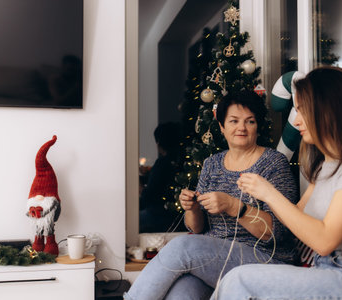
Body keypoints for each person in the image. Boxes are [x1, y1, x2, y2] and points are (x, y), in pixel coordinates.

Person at [214, 66, 342, 299]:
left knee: (239, 280)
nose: (297, 122)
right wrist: (245, 206)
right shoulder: (326, 167)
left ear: (329, 111)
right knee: (234, 279)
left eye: (302, 111)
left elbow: (325, 241)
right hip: (328, 269)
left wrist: (269, 193)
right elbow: (292, 222)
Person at [125, 90, 299, 300]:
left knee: (182, 246)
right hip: (216, 260)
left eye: (250, 121)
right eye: (234, 121)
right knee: (180, 294)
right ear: (222, 126)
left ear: (258, 126)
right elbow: (197, 228)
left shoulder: (274, 163)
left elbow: (277, 233)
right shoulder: (212, 163)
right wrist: (193, 208)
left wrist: (234, 206)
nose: (241, 128)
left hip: (264, 258)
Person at [139, 122, 183, 233]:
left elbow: (148, 197)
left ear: (158, 143)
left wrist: (139, 186)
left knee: (132, 220)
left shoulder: (163, 163)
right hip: (175, 215)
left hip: (161, 215)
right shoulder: (181, 161)